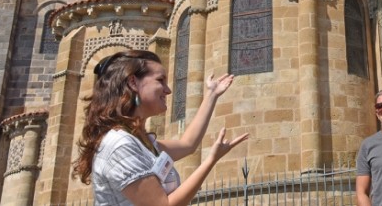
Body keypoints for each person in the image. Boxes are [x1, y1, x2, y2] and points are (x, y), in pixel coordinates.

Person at [71, 50, 249, 205]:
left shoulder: (143, 142)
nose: (168, 90)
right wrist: (211, 160)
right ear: (133, 83)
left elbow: (188, 144)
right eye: (160, 80)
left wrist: (212, 95)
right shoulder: (120, 144)